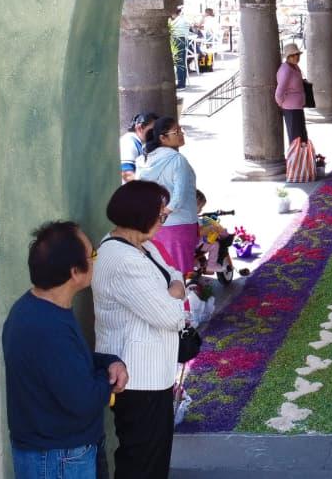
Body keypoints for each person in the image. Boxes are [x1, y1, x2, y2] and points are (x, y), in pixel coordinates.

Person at [3, 221, 128, 479]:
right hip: (58, 459)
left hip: (62, 452)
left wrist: (109, 362)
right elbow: (82, 398)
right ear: (74, 272)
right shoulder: (45, 327)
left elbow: (71, 363)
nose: (96, 259)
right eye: (92, 254)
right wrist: (110, 382)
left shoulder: (39, 307)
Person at [94, 180, 189, 479]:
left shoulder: (142, 247)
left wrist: (173, 290)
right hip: (137, 379)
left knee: (155, 458)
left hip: (153, 375)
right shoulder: (121, 259)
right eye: (161, 216)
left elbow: (176, 274)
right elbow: (171, 316)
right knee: (141, 462)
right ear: (140, 215)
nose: (163, 221)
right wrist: (174, 293)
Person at [136, 117, 199, 275]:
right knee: (180, 274)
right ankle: (182, 300)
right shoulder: (177, 160)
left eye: (181, 130)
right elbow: (179, 196)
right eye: (176, 132)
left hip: (154, 227)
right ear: (163, 138)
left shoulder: (143, 161)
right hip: (180, 225)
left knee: (161, 274)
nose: (181, 134)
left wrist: (155, 217)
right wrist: (165, 213)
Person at [275, 42, 308, 145]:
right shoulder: (285, 70)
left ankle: (303, 159)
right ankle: (295, 160)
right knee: (295, 138)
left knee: (302, 136)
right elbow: (279, 93)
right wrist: (282, 104)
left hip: (298, 107)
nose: (297, 57)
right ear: (288, 57)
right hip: (291, 109)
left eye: (298, 54)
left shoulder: (295, 67)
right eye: (294, 55)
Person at [120, 112, 158, 183]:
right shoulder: (129, 142)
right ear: (140, 128)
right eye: (153, 130)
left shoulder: (140, 143)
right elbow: (127, 174)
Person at [170, 6, 191, 89]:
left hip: (178, 41)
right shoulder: (182, 20)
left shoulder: (176, 22)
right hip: (183, 41)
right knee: (181, 63)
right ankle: (182, 83)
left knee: (179, 63)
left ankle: (181, 84)